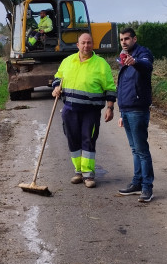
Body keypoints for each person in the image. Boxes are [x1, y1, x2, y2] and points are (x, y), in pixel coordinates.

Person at [52, 33, 116, 188]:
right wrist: (56, 88)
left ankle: (88, 175)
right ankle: (78, 171)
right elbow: (58, 77)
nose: (86, 46)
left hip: (90, 110)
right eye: (83, 43)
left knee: (88, 139)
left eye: (89, 43)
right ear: (77, 45)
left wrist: (110, 108)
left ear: (92, 45)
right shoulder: (68, 61)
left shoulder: (101, 64)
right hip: (70, 109)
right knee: (72, 139)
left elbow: (110, 88)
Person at [115, 27, 155, 202]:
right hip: (127, 108)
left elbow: (147, 66)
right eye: (122, 39)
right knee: (134, 149)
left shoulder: (142, 54)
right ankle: (137, 183)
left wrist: (135, 62)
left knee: (142, 150)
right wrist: (121, 110)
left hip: (138, 109)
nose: (124, 42)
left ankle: (147, 187)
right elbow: (124, 84)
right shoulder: (123, 56)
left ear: (134, 39)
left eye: (127, 39)